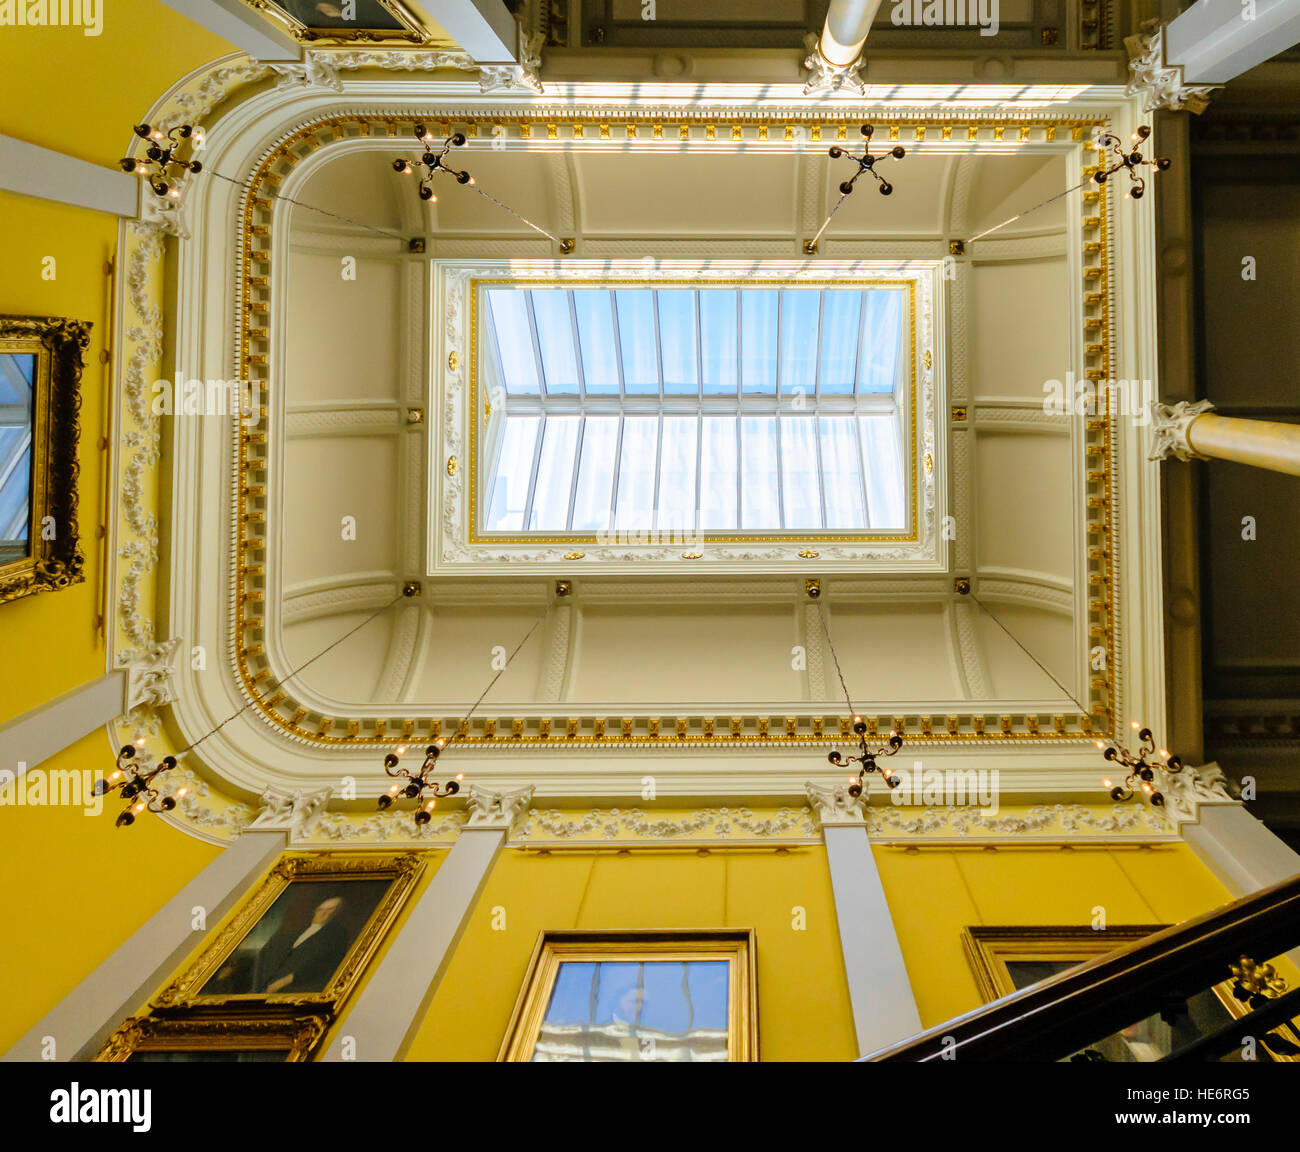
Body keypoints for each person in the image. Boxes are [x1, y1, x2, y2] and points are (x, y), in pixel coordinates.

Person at [255, 895, 351, 994]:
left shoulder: (337, 935)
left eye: (330, 909)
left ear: (338, 913)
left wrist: (282, 982)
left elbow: (321, 965)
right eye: (320, 909)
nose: (323, 913)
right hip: (270, 982)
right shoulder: (299, 931)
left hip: (297, 987)